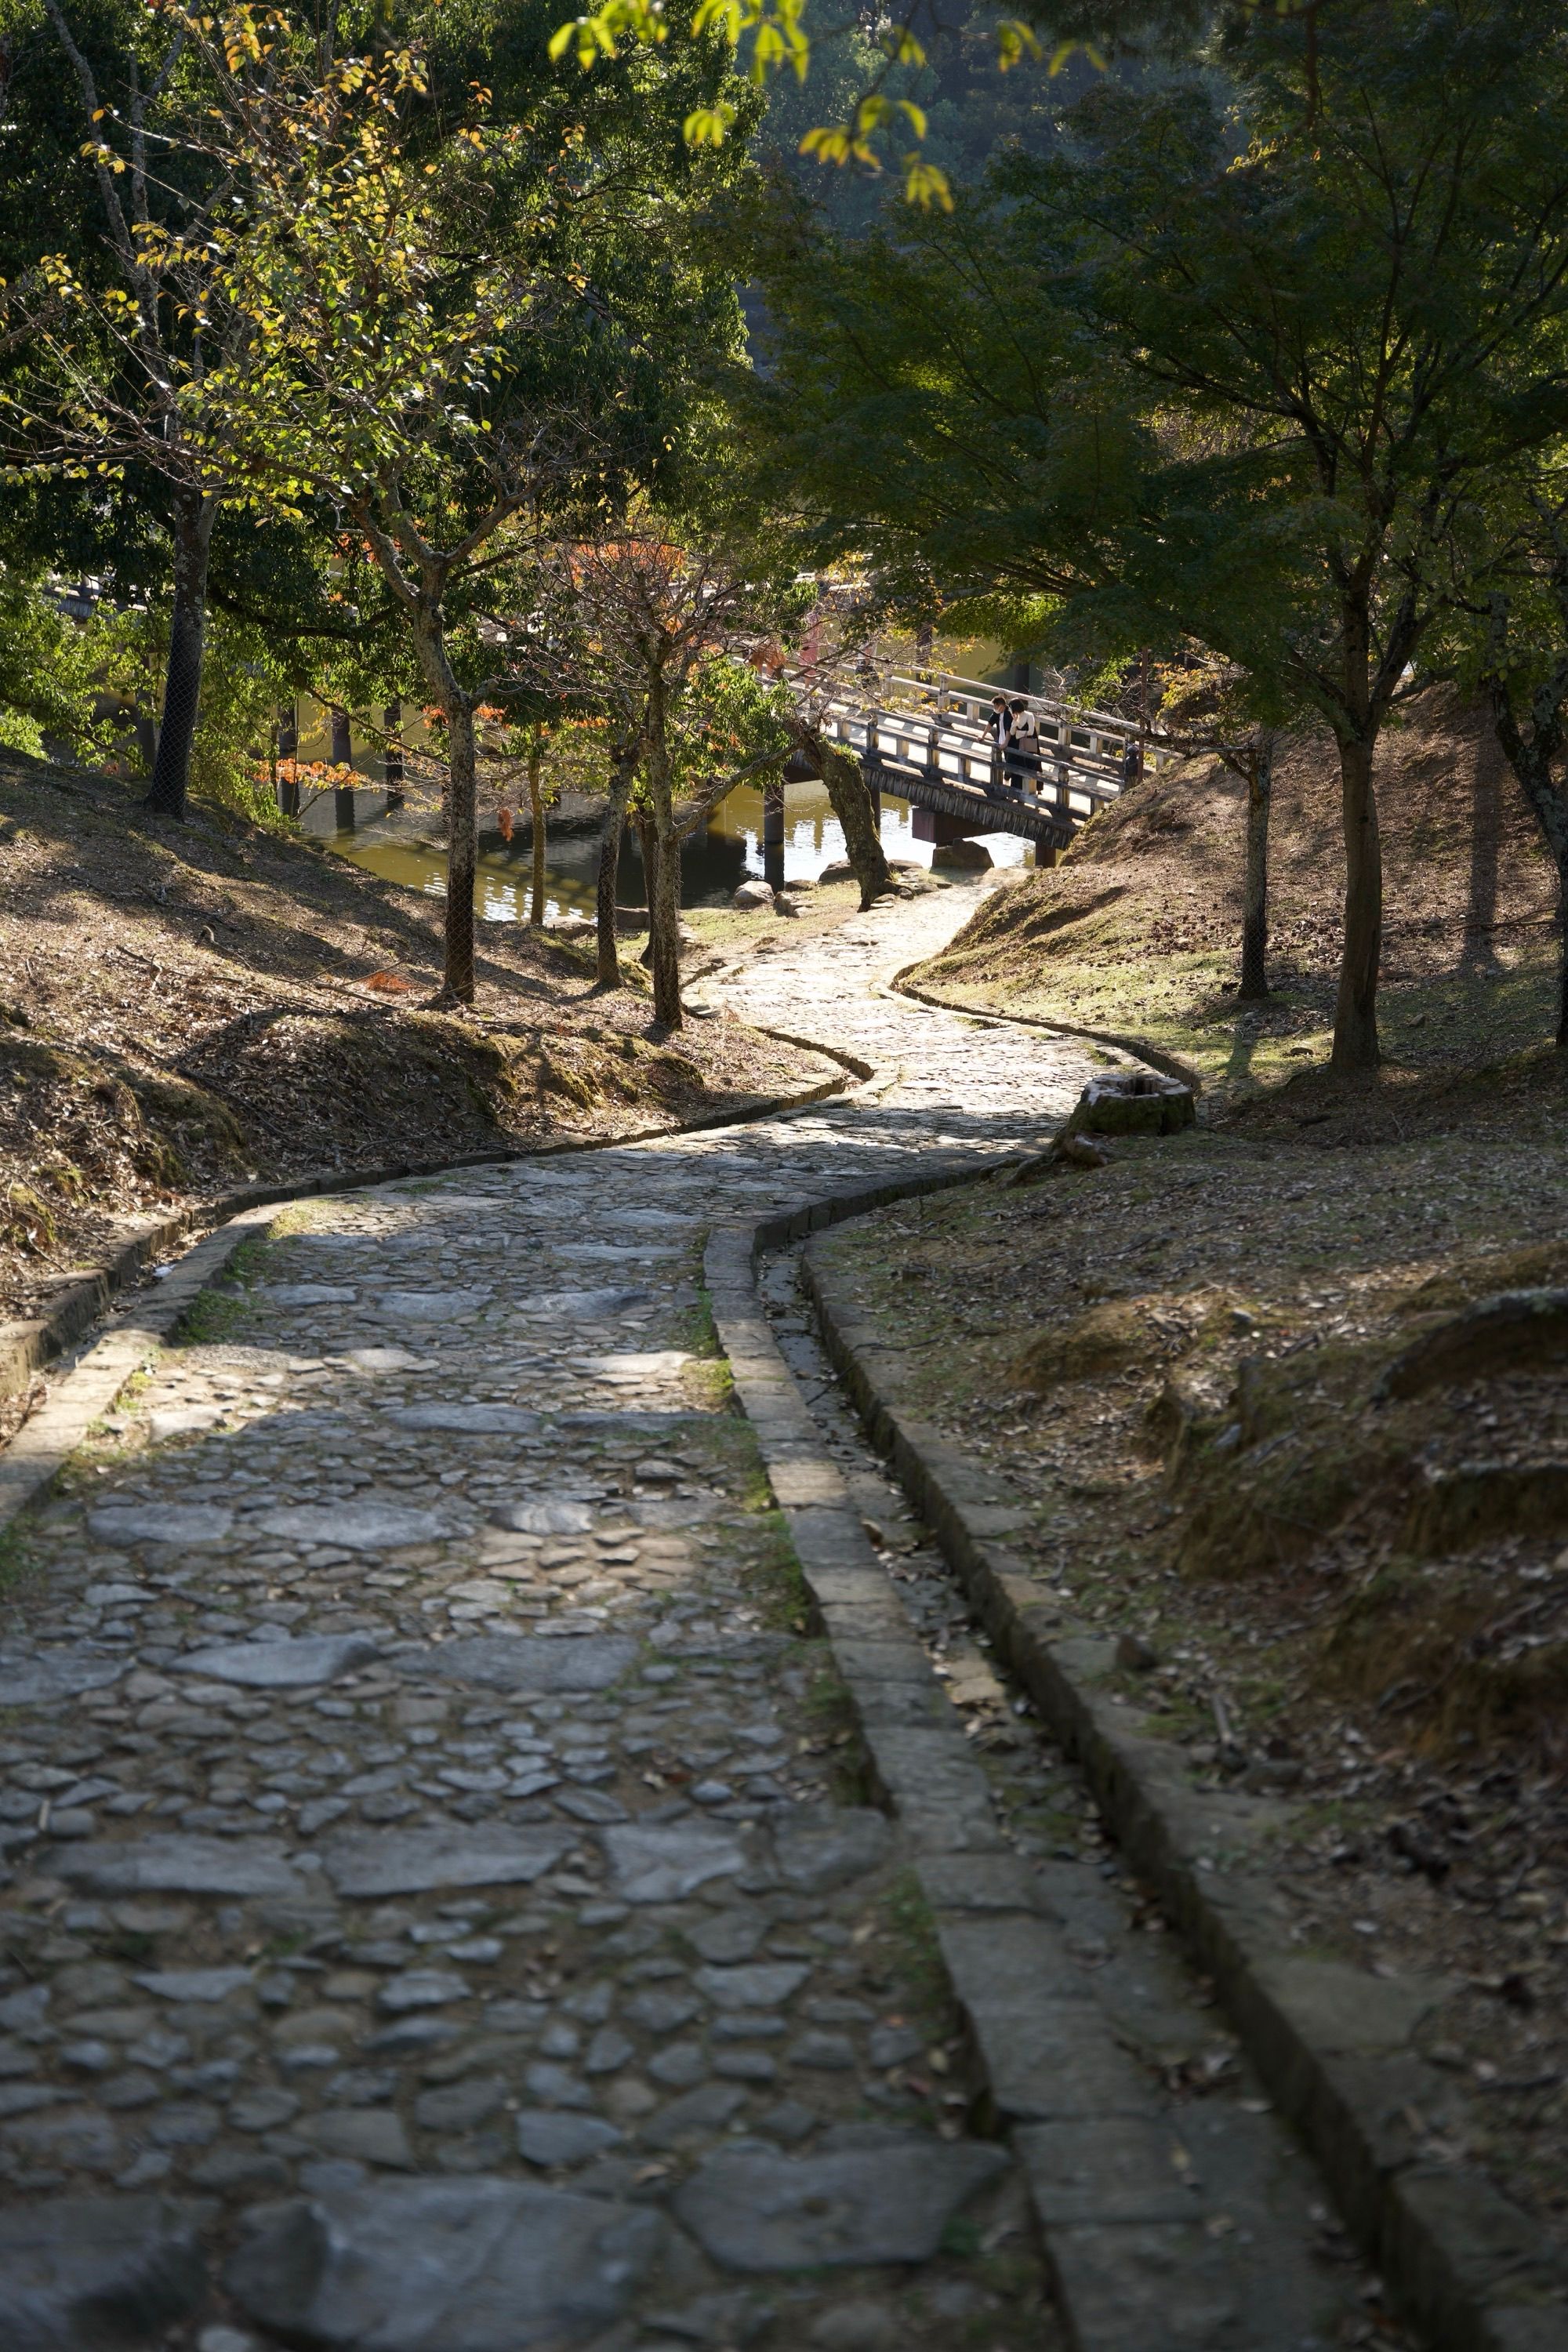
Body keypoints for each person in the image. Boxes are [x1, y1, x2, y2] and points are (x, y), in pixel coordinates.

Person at [1007, 698, 1042, 793]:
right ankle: (1017, 789)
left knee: (1032, 764)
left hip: (1029, 742)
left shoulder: (1029, 715)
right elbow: (1012, 732)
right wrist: (1014, 722)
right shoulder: (1015, 716)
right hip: (1018, 744)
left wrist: (1019, 734)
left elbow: (1031, 731)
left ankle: (1037, 788)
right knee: (1017, 764)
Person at [988, 694, 1010, 796]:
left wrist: (1005, 743)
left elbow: (1008, 730)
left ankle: (1007, 782)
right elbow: (990, 724)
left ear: (999, 705)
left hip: (1008, 743)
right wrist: (983, 736)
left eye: (995, 706)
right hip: (1001, 741)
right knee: (1003, 761)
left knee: (1009, 762)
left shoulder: (1008, 714)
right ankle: (1003, 782)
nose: (994, 709)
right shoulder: (997, 713)